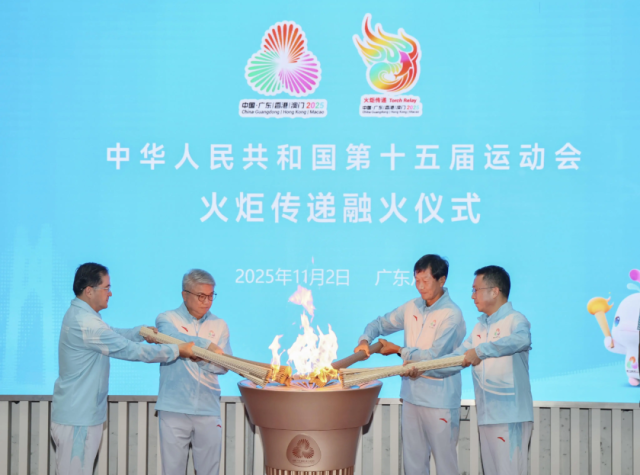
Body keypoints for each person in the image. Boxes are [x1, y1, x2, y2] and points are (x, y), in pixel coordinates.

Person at [51, 263, 195, 475]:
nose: (110, 293)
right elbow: (130, 350)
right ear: (89, 290)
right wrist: (176, 350)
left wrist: (140, 332)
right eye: (106, 288)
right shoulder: (86, 323)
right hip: (77, 419)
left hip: (80, 416)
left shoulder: (84, 316)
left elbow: (113, 334)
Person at [412, 265, 533, 475]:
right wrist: (420, 368)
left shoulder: (515, 319)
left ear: (494, 291)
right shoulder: (480, 327)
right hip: (487, 416)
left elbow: (522, 340)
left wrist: (481, 351)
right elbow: (456, 359)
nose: (472, 296)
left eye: (476, 290)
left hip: (510, 417)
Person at [353, 254, 466, 475]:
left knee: (445, 465)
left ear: (441, 280)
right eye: (417, 280)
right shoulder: (411, 307)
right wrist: (365, 339)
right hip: (411, 398)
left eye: (425, 281)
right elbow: (380, 323)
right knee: (413, 464)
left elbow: (435, 358)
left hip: (440, 400)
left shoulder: (452, 315)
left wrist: (399, 350)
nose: (420, 286)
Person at [155, 269, 232, 475]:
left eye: (211, 296)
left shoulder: (220, 325)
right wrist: (205, 347)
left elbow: (225, 365)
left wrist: (203, 360)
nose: (207, 302)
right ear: (185, 294)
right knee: (172, 471)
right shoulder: (167, 319)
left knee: (209, 471)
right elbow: (172, 338)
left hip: (208, 407)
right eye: (201, 296)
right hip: (174, 407)